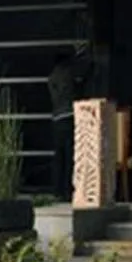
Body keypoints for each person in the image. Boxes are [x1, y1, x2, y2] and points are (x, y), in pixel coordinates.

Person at [47, 46, 86, 197]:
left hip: (57, 118)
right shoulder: (69, 74)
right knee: (70, 156)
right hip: (69, 116)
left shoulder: (51, 77)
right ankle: (68, 189)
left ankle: (57, 190)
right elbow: (79, 86)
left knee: (59, 156)